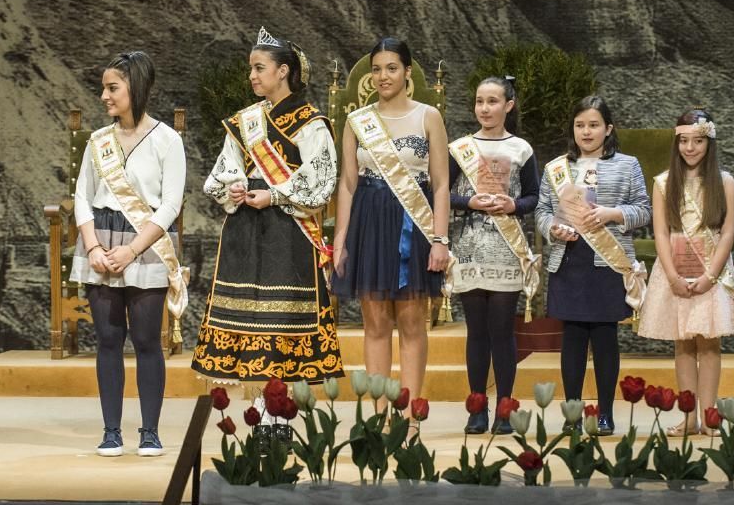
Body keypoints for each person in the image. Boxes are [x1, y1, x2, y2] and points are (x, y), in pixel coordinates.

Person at [192, 27, 343, 389]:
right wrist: (236, 186)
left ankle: (278, 418)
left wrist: (274, 195)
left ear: (283, 71)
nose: (252, 76)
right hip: (245, 228)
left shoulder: (310, 121)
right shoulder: (246, 121)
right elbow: (219, 175)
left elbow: (321, 178)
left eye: (260, 68)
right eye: (251, 68)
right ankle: (257, 416)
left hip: (287, 230)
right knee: (246, 322)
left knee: (282, 323)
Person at [71, 51, 186, 457]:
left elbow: (171, 204)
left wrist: (132, 250)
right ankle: (111, 431)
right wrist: (94, 247)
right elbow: (81, 196)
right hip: (100, 241)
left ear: (135, 87)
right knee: (107, 338)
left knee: (145, 340)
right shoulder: (98, 141)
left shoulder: (167, 141)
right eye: (104, 87)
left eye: (112, 87)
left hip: (145, 243)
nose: (104, 95)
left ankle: (150, 431)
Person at [331, 37, 450, 415]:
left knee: (413, 321)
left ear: (407, 72)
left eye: (392, 68)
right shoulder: (357, 121)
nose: (384, 76)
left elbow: (442, 183)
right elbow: (347, 184)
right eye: (377, 69)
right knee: (375, 320)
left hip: (412, 225)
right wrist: (341, 240)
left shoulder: (428, 116)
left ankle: (412, 416)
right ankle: (379, 414)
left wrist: (440, 239)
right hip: (368, 221)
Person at [535, 95, 651, 435]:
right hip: (569, 259)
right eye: (580, 125)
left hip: (608, 261)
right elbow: (542, 211)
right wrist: (551, 229)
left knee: (604, 338)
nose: (586, 132)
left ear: (608, 128)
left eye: (594, 125)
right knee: (571, 338)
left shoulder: (627, 165)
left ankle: (605, 413)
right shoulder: (557, 167)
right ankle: (572, 413)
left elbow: (644, 209)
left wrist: (612, 214)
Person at [637, 110, 734, 436]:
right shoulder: (663, 182)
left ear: (709, 142)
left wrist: (710, 276)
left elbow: (727, 233)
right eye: (683, 141)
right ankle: (688, 417)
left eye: (697, 141)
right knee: (683, 344)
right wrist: (672, 276)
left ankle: (709, 416)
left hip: (710, 273)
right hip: (675, 273)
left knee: (709, 345)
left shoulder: (724, 182)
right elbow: (659, 232)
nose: (690, 148)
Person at [448, 76, 540, 434]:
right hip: (469, 249)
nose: (485, 108)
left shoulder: (521, 149)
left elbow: (534, 196)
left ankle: (504, 406)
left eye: (492, 101)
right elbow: (440, 194)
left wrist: (513, 204)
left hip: (506, 249)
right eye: (479, 101)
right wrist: (467, 200)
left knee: (502, 332)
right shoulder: (460, 149)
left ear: (508, 105)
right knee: (477, 332)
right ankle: (476, 407)